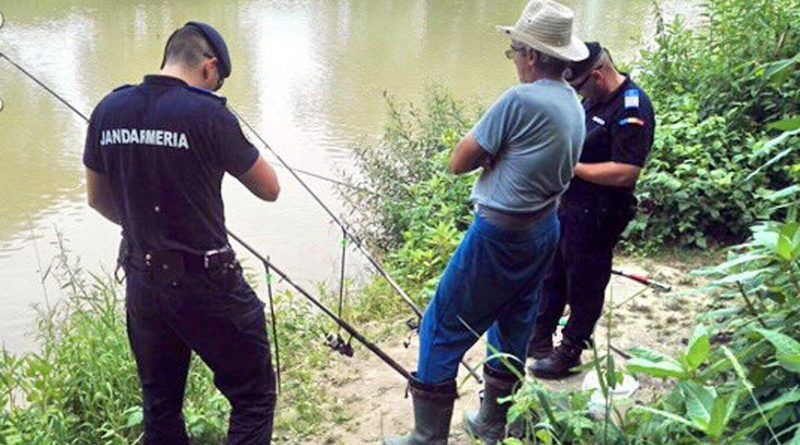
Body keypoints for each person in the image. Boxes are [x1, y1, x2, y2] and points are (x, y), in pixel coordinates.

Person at [382, 2, 587, 444]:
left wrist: (494, 156)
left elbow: (460, 160)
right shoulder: (573, 100)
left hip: (500, 235)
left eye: (515, 50)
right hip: (543, 229)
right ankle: (493, 424)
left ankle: (427, 436)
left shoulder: (520, 99)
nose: (513, 58)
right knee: (513, 320)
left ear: (532, 54)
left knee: (441, 324)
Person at [83, 22, 281, 444]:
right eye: (217, 81)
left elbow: (97, 200)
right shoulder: (209, 113)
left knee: (161, 406)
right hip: (208, 283)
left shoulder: (108, 109)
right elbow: (270, 189)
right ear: (209, 68)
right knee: (253, 397)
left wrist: (149, 227)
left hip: (143, 281)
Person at [528, 42, 656, 379]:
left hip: (600, 212)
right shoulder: (593, 99)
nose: (577, 94)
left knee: (585, 281)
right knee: (554, 272)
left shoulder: (632, 108)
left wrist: (574, 168)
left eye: (579, 86)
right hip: (570, 206)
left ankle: (571, 349)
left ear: (597, 76)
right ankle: (539, 338)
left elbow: (626, 171)